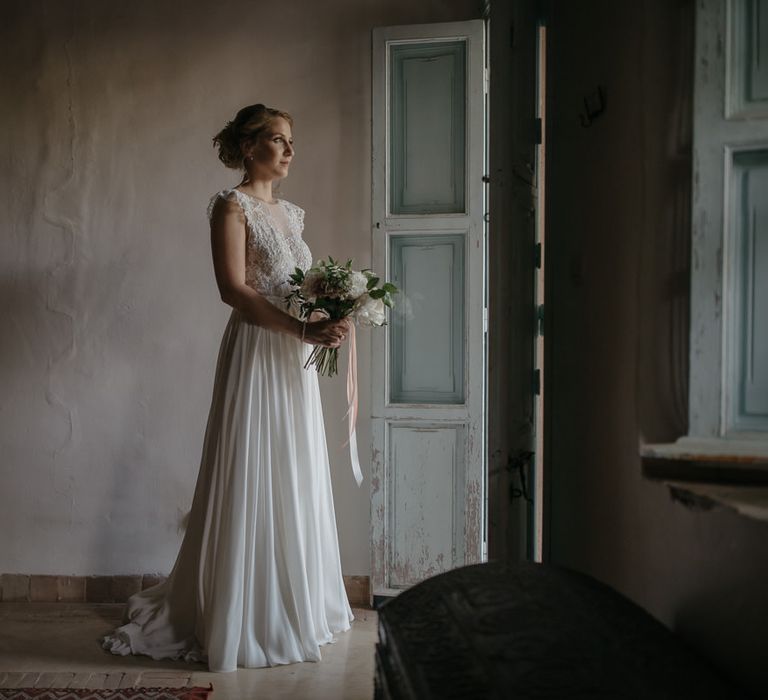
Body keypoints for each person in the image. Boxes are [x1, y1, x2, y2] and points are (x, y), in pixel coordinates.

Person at [101, 104, 355, 672]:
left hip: (295, 357)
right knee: (252, 467)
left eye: (291, 140)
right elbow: (233, 289)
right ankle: (245, 609)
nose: (289, 150)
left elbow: (299, 283)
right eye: (276, 139)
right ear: (247, 147)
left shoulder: (292, 213)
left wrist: (333, 313)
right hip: (259, 351)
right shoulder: (231, 205)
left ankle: (299, 600)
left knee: (294, 467)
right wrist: (300, 327)